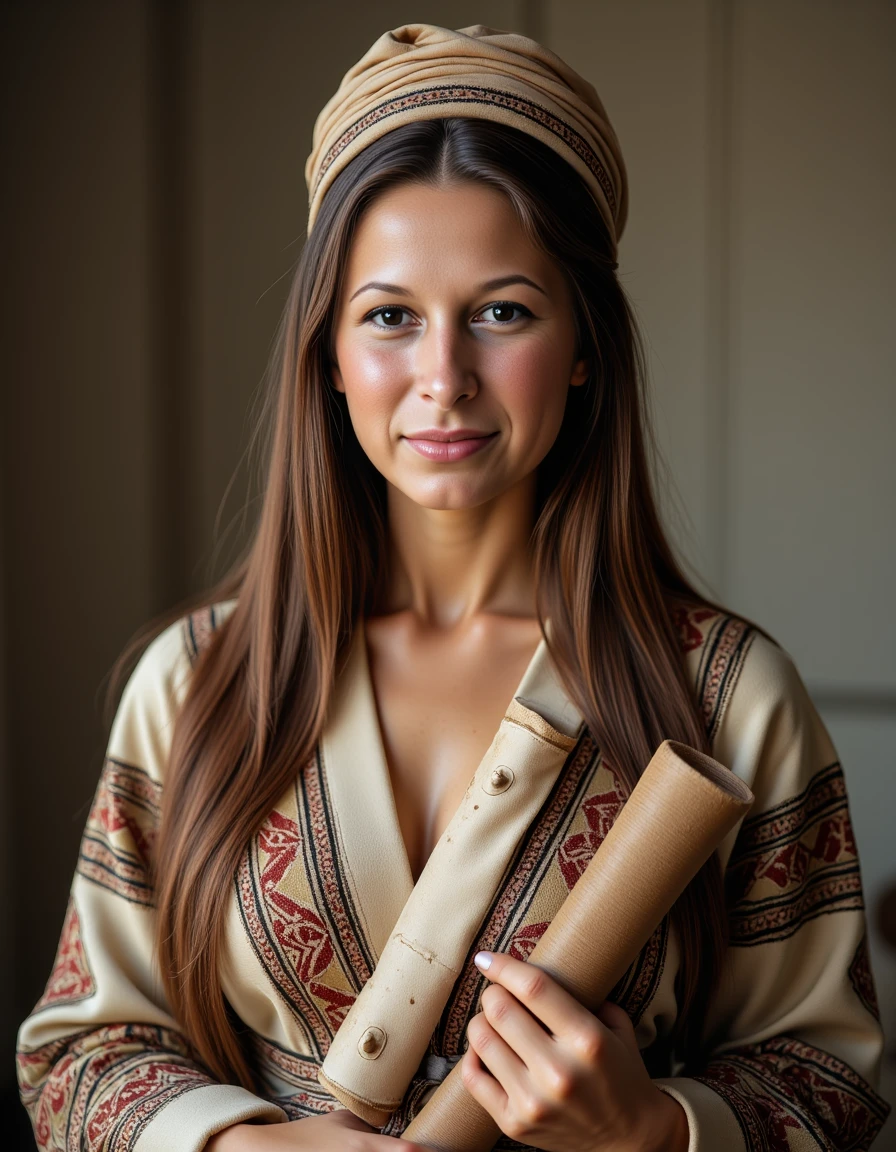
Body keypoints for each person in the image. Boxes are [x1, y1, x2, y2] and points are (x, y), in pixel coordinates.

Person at [16, 23, 890, 1152]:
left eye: (502, 312)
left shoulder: (729, 697)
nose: (442, 379)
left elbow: (828, 1072)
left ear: (583, 345)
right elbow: (80, 1050)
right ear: (326, 351)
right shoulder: (193, 686)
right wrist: (238, 1144)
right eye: (388, 317)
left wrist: (650, 1127)